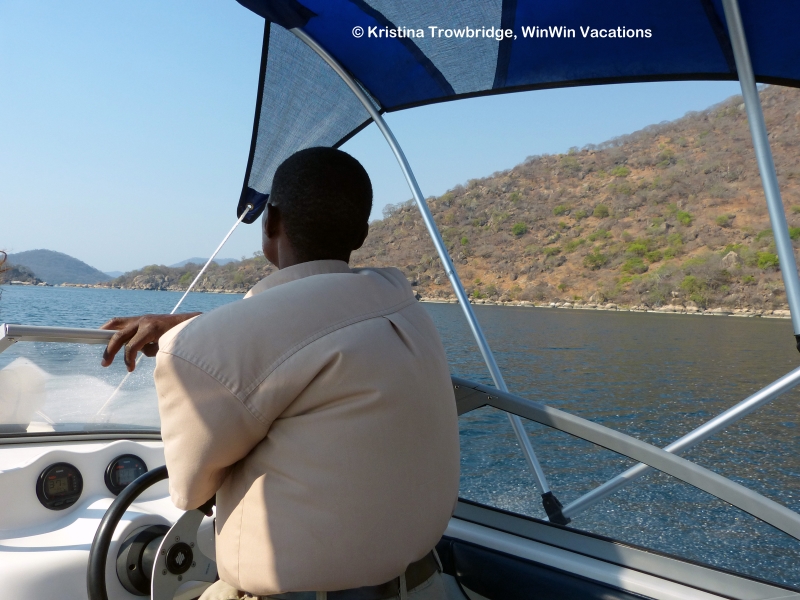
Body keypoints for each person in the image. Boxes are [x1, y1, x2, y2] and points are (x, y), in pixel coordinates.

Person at [101, 147, 461, 600]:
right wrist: (193, 326)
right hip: (420, 584)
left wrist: (190, 336)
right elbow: (311, 319)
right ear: (362, 234)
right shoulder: (402, 305)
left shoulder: (213, 348)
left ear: (270, 221)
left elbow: (190, 491)